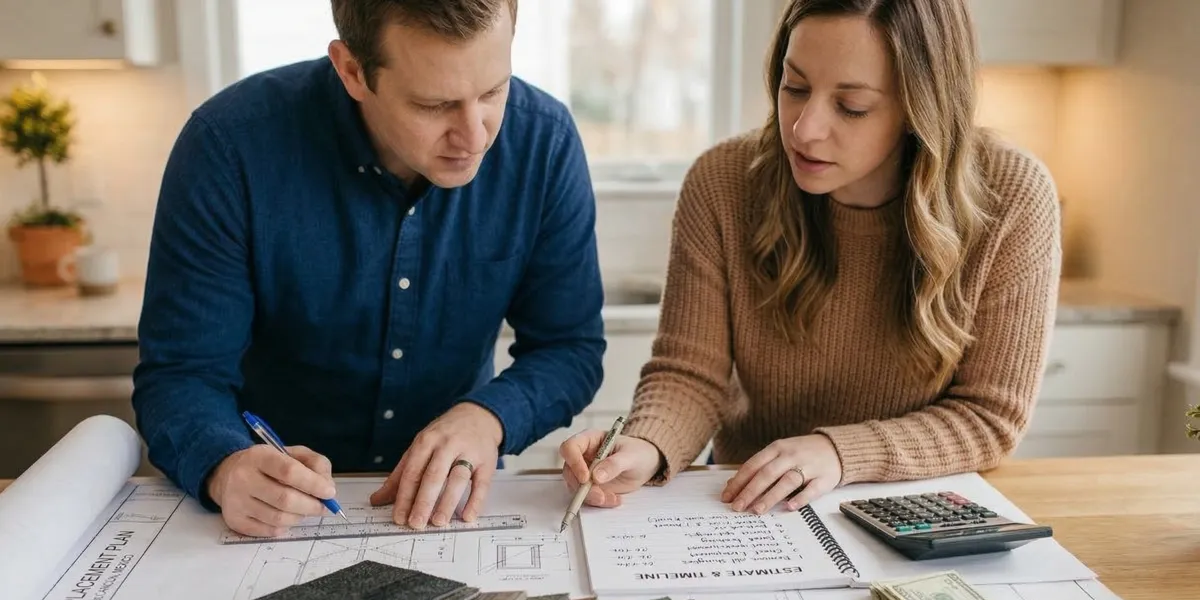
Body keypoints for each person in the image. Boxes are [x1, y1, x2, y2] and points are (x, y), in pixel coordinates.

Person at [560, 0, 1060, 516]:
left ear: (920, 108)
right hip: (751, 504)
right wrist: (647, 445)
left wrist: (838, 453)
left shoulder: (1012, 196)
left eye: (852, 106)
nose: (804, 129)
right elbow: (689, 374)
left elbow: (990, 416)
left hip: (914, 504)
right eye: (794, 87)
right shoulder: (723, 183)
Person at [133, 0, 605, 538]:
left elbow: (569, 347)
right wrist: (224, 466)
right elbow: (181, 375)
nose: (476, 137)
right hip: (276, 517)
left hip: (450, 515)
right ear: (352, 71)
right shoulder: (229, 146)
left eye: (494, 92)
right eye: (434, 105)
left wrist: (488, 418)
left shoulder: (544, 142)